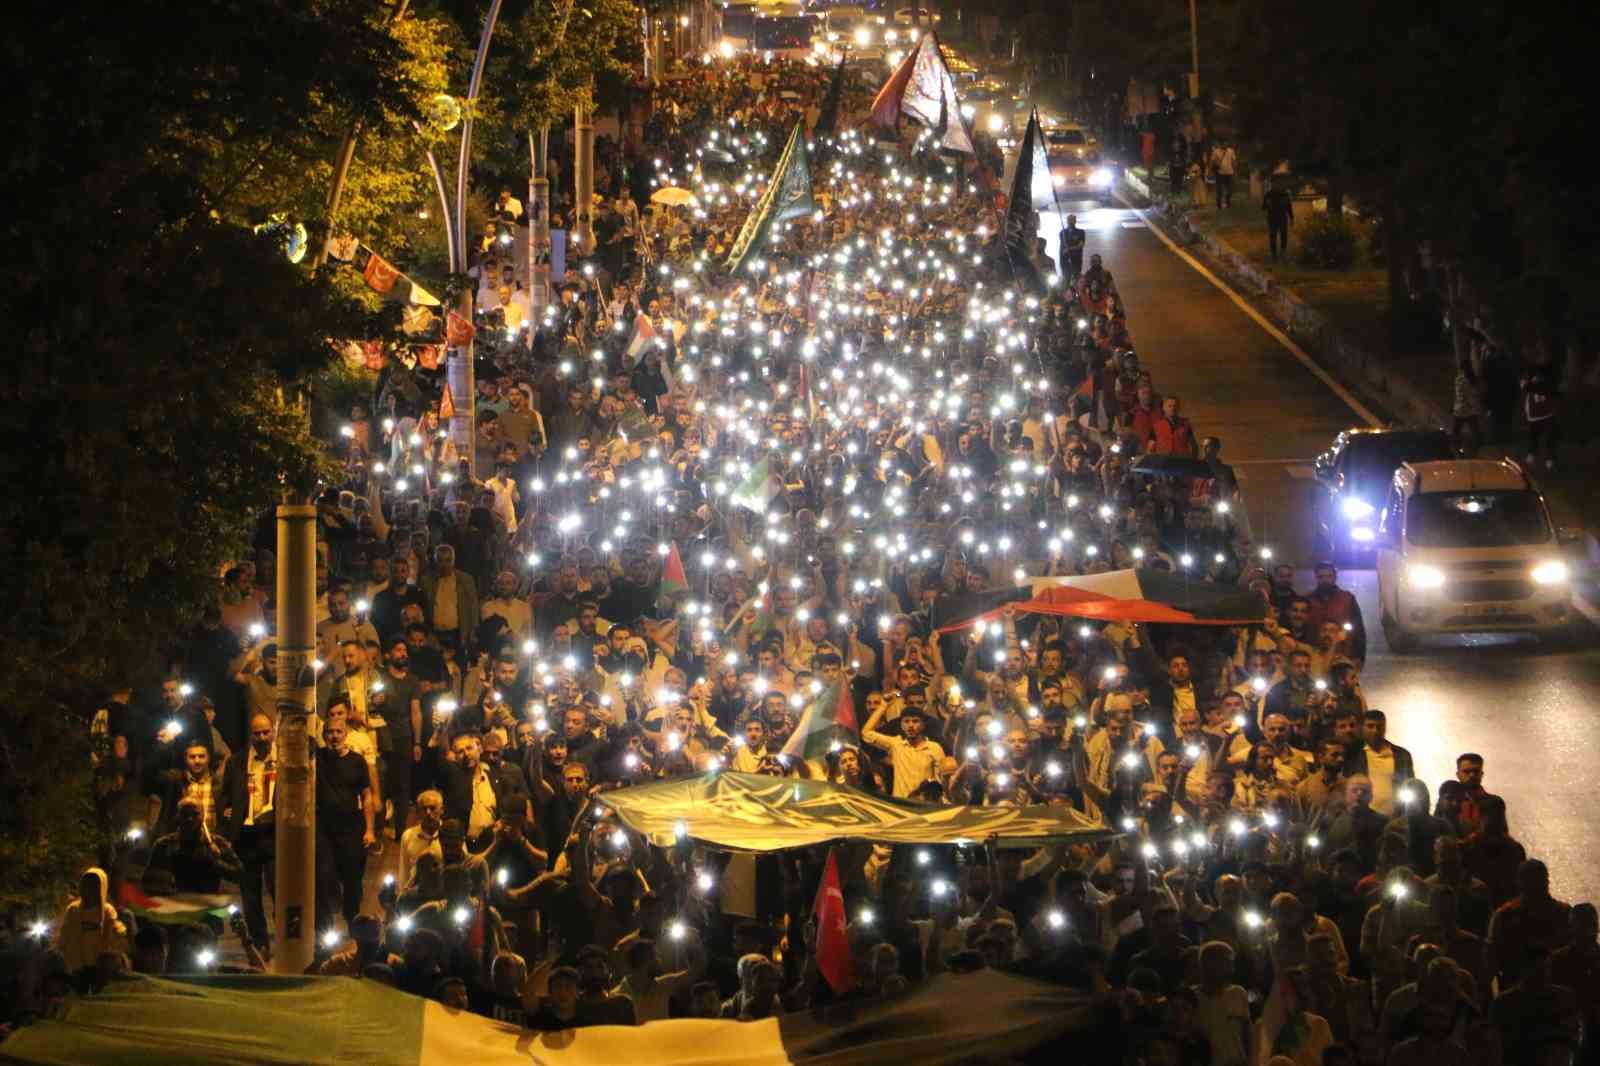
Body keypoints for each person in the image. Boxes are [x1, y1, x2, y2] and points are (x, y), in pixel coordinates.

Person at [219, 713, 277, 948]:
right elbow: (225, 795)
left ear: (273, 732)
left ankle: (285, 937)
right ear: (250, 735)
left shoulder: (283, 759)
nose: (262, 737)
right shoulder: (237, 761)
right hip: (247, 835)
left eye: (266, 732)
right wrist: (227, 812)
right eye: (257, 733)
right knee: (250, 894)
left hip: (274, 834)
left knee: (279, 889)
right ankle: (260, 942)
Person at [316, 719, 377, 931]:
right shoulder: (318, 759)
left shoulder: (357, 761)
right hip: (324, 829)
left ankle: (353, 922)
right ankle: (327, 925)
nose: (334, 736)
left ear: (345, 735)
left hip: (351, 827)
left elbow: (366, 796)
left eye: (338, 732)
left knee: (353, 878)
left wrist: (370, 830)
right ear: (323, 735)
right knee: (325, 876)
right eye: (329, 732)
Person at [1263, 178, 1294, 260]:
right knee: (1273, 236)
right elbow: (1263, 207)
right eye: (1274, 184)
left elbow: (1289, 207)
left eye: (1277, 184)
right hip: (1272, 218)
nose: (1276, 185)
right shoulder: (1268, 194)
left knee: (1283, 235)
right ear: (1272, 185)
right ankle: (1274, 254)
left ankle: (1282, 252)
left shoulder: (1285, 194)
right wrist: (1267, 204)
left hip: (1282, 218)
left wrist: (1291, 218)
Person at [1058, 213, 1086, 280]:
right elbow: (1063, 245)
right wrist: (1065, 250)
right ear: (1067, 221)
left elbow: (1080, 245)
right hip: (1065, 260)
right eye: (1069, 220)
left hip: (1076, 259)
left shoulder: (1081, 232)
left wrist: (1069, 249)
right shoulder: (1062, 232)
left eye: (1072, 220)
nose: (1071, 222)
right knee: (1066, 277)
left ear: (1075, 221)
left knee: (1076, 277)